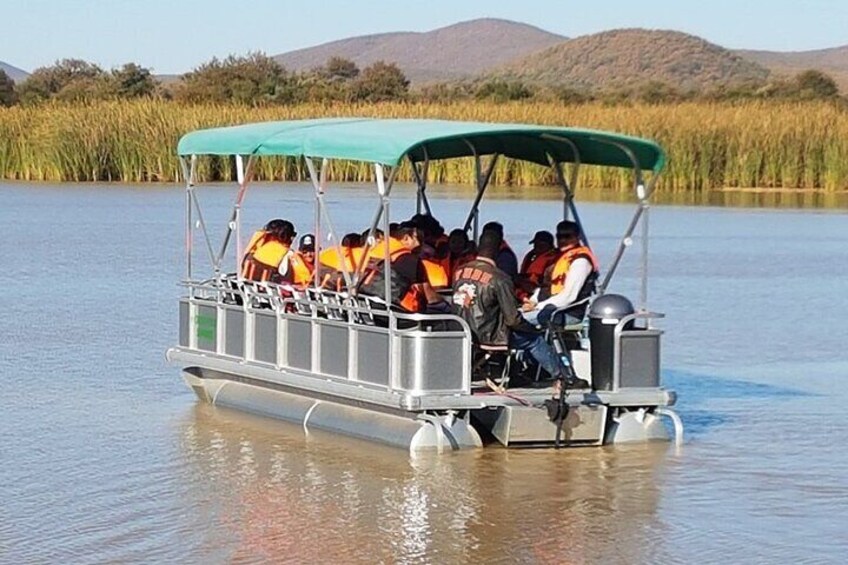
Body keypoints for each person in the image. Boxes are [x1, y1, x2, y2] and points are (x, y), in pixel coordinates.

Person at [452, 230, 589, 389]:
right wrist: (530, 327)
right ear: (497, 250)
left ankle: (516, 374)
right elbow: (512, 320)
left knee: (521, 333)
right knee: (533, 339)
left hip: (465, 333)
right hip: (489, 337)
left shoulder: (459, 272)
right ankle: (566, 377)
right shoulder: (500, 278)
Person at [522, 220, 600, 327]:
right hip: (545, 308)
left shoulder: (581, 261)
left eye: (567, 236)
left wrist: (538, 307)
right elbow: (546, 286)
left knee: (516, 322)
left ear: (577, 238)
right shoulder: (558, 258)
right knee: (507, 318)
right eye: (559, 237)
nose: (563, 240)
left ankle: (538, 344)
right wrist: (532, 301)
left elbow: (568, 297)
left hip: (566, 313)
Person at [359, 222, 444, 312]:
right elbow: (430, 298)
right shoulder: (411, 261)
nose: (422, 244)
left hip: (370, 310)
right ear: (407, 237)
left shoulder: (374, 255)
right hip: (400, 316)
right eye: (420, 238)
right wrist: (446, 305)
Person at [516, 230, 558, 298]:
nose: (536, 247)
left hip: (539, 293)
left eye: (540, 245)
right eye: (535, 244)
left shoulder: (553, 260)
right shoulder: (531, 256)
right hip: (524, 293)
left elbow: (544, 281)